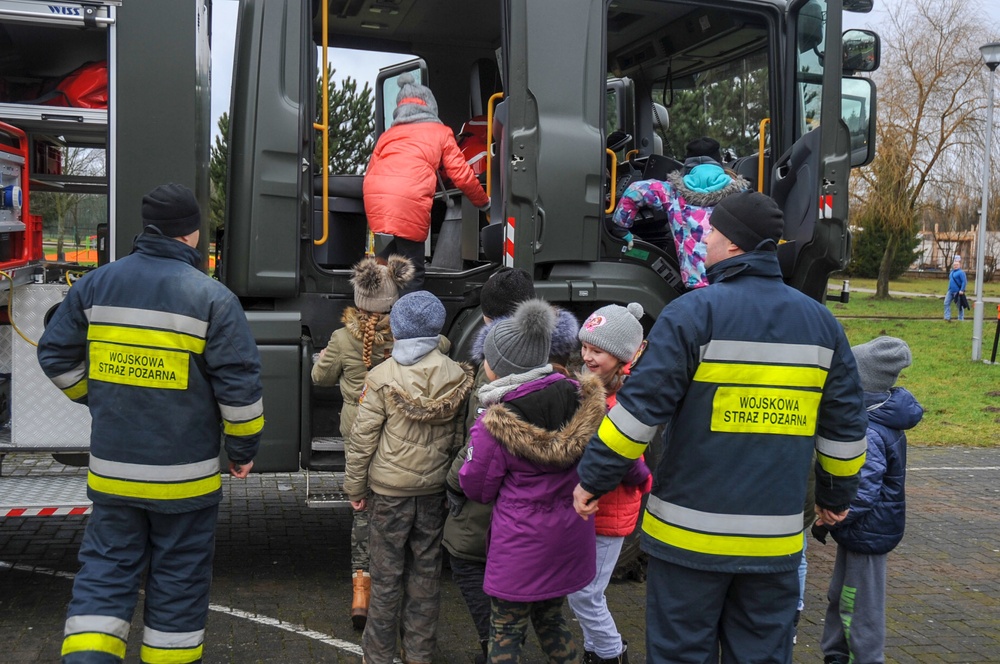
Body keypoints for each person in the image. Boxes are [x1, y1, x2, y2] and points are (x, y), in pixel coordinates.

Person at [572, 191, 870, 663]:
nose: (704, 239)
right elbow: (846, 430)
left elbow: (637, 414)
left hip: (688, 543)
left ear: (733, 245)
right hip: (774, 545)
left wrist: (593, 478)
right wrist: (835, 496)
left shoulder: (692, 314)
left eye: (711, 231)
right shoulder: (822, 325)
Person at [37, 183, 264, 664]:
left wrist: (95, 396)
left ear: (148, 228)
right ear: (192, 233)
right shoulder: (213, 299)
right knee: (178, 584)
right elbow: (240, 394)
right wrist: (242, 452)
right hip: (184, 482)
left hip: (114, 474)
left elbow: (55, 355)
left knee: (104, 575)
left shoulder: (96, 284)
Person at [459, 299, 606, 664]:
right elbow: (611, 458)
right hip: (567, 541)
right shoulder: (579, 399)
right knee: (553, 620)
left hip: (519, 550)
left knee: (506, 632)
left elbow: (477, 487)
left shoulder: (496, 424)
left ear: (500, 368)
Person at [344, 290, 475, 664]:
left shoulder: (382, 376)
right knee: (425, 578)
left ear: (398, 329)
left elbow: (362, 439)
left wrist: (355, 487)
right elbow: (460, 439)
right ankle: (419, 654)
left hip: (388, 495)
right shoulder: (456, 375)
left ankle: (379, 655)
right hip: (433, 492)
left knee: (385, 580)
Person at [310, 254, 414, 629]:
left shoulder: (341, 338)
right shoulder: (404, 333)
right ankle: (397, 590)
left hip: (357, 430)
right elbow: (444, 345)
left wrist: (322, 358)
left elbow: (320, 379)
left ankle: (360, 592)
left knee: (362, 508)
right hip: (395, 429)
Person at [816, 336, 923, 664]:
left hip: (867, 532)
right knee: (841, 595)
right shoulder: (872, 418)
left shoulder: (870, 430)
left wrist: (830, 513)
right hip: (859, 531)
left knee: (861, 605)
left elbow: (863, 491)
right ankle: (836, 654)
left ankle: (865, 657)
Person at [569, 303, 653, 664]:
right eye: (584, 347)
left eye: (597, 351)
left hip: (610, 514)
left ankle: (610, 653)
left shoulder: (622, 403)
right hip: (590, 510)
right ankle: (595, 650)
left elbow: (634, 466)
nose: (587, 356)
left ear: (621, 357)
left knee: (586, 594)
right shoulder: (592, 392)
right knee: (586, 591)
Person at [364, 73, 490, 292]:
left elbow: (371, 169)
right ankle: (408, 321)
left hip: (376, 196)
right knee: (414, 271)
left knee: (402, 245)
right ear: (430, 106)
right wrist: (484, 203)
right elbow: (462, 174)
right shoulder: (440, 132)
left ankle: (372, 276)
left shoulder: (388, 135)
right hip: (407, 198)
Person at [608, 136, 749, 289]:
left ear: (687, 165)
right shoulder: (740, 192)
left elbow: (635, 190)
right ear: (718, 163)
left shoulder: (672, 191)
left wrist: (621, 228)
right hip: (733, 279)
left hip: (696, 285)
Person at [944, 255, 967, 321]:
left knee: (959, 306)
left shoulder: (961, 272)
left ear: (959, 265)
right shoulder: (951, 273)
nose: (955, 266)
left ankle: (960, 319)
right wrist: (949, 289)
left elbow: (964, 282)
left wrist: (962, 290)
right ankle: (947, 317)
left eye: (957, 265)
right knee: (946, 303)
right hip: (950, 291)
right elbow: (950, 281)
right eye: (954, 265)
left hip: (957, 292)